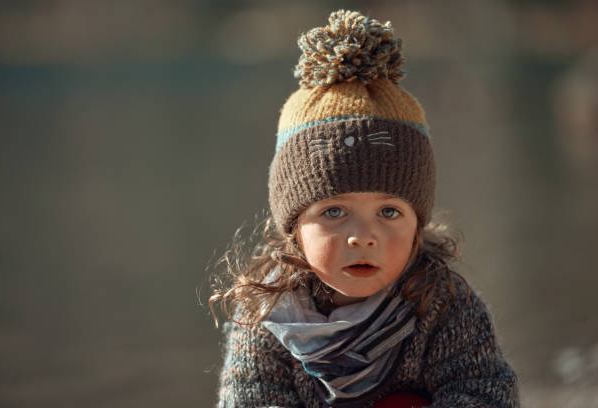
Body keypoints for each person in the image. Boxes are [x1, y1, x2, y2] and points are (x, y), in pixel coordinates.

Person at [209, 9, 520, 408]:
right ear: (294, 228)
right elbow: (249, 400)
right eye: (334, 212)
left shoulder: (442, 302)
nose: (362, 236)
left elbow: (487, 392)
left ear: (417, 226)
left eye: (389, 212)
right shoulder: (268, 315)